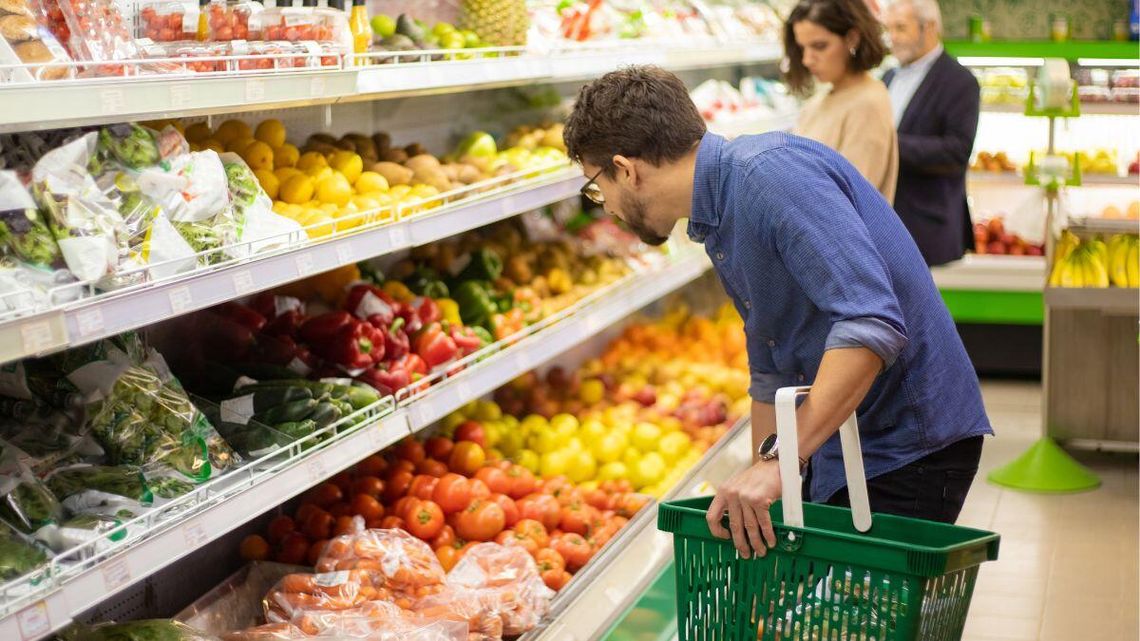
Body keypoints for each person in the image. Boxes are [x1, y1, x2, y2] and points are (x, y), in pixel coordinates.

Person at [562, 66, 991, 559]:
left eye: (597, 188)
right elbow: (772, 369)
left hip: (906, 442)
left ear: (626, 168)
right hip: (844, 438)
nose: (607, 207)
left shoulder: (769, 177)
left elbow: (871, 325)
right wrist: (759, 481)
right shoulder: (718, 214)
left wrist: (782, 463)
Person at [884, 0, 981, 266]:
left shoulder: (960, 82)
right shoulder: (888, 77)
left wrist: (888, 145)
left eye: (901, 28)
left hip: (929, 231)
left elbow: (956, 152)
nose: (892, 38)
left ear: (930, 28)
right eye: (888, 28)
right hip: (888, 226)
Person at [785, 0, 899, 203]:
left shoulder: (868, 103)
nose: (807, 59)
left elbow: (849, 199)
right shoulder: (819, 102)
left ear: (852, 38)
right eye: (802, 48)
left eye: (819, 46)